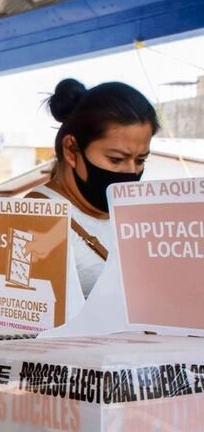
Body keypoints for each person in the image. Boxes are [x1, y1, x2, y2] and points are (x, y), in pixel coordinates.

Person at [29, 78, 158, 296]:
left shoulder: (134, 215)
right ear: (71, 149)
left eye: (140, 160)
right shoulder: (39, 218)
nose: (130, 172)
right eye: (116, 159)